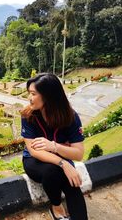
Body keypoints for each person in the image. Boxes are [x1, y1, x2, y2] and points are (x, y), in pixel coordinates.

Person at [21, 73, 88, 220]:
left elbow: (78, 154)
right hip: (34, 161)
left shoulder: (70, 116)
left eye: (33, 94)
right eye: (29, 93)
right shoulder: (28, 115)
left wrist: (54, 146)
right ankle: (56, 206)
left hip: (59, 157)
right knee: (53, 171)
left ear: (48, 95)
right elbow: (34, 151)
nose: (29, 98)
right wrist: (64, 163)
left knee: (73, 183)